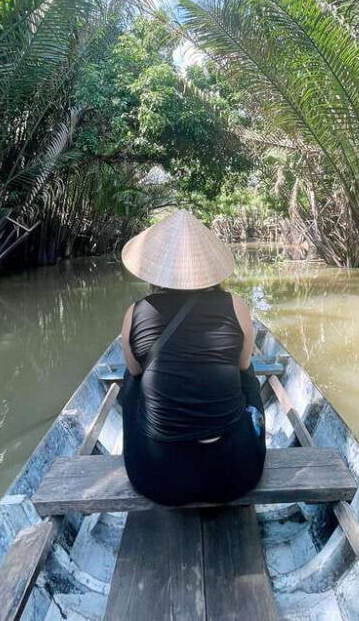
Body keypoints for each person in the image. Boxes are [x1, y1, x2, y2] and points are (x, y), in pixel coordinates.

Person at [118, 209, 266, 506]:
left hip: (156, 477)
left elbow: (134, 369)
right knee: (246, 374)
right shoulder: (236, 305)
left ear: (156, 269)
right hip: (237, 473)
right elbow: (242, 365)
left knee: (132, 379)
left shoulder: (136, 312)